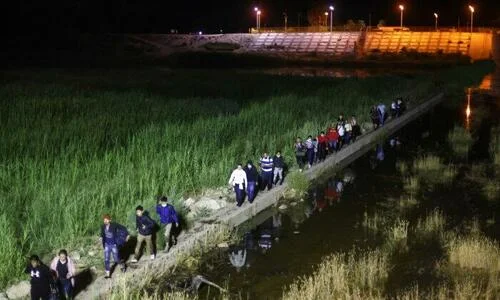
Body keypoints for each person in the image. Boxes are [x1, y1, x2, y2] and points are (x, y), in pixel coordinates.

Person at [100, 214, 129, 278]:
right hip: (107, 245)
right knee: (106, 259)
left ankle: (122, 265)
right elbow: (102, 234)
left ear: (110, 220)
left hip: (114, 245)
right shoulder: (103, 226)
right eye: (104, 220)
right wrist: (101, 238)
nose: (105, 221)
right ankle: (107, 273)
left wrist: (127, 235)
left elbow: (123, 228)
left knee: (116, 259)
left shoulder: (114, 225)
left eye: (107, 220)